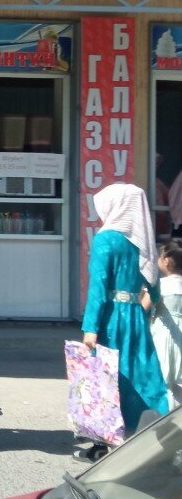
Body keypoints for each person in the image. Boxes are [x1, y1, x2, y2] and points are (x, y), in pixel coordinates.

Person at [76, 183, 168, 463]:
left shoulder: (106, 239)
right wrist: (150, 302)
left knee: (105, 378)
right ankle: (160, 433)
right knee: (143, 375)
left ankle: (103, 442)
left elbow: (98, 288)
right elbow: (152, 281)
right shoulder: (140, 239)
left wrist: (90, 327)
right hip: (136, 317)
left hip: (111, 319)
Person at [145, 239, 182, 410]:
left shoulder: (160, 285)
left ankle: (164, 418)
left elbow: (144, 307)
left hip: (163, 333)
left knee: (163, 378)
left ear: (166, 260)